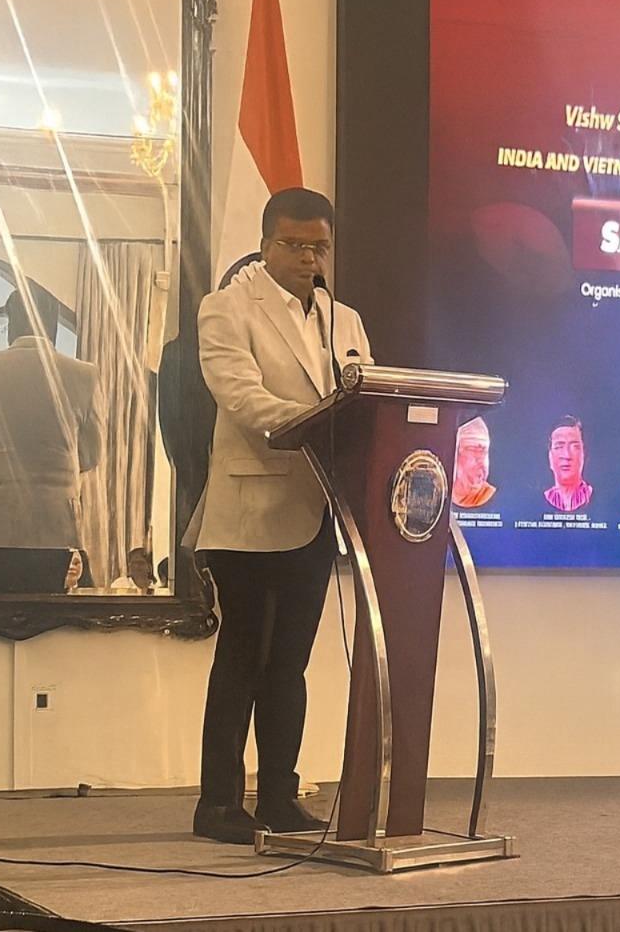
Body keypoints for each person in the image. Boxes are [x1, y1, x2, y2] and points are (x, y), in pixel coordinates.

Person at [191, 187, 372, 845]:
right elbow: (241, 397)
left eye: (318, 247)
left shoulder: (344, 319)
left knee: (289, 664)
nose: (307, 258)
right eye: (294, 245)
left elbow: (365, 394)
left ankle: (278, 798)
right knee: (243, 657)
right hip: (249, 512)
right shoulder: (227, 308)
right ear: (266, 244)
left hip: (317, 509)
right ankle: (217, 805)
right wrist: (315, 422)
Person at [0, 284, 102, 592]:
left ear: (11, 324)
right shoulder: (84, 374)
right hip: (56, 525)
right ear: (52, 324)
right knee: (48, 613)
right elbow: (90, 455)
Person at [544, 416, 593, 512]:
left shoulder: (602, 499)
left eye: (574, 447)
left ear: (584, 454)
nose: (567, 455)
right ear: (550, 456)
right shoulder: (532, 504)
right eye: (559, 447)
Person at [452, 416, 496, 508]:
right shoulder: (439, 490)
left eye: (484, 451)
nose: (481, 460)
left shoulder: (485, 494)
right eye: (472, 450)